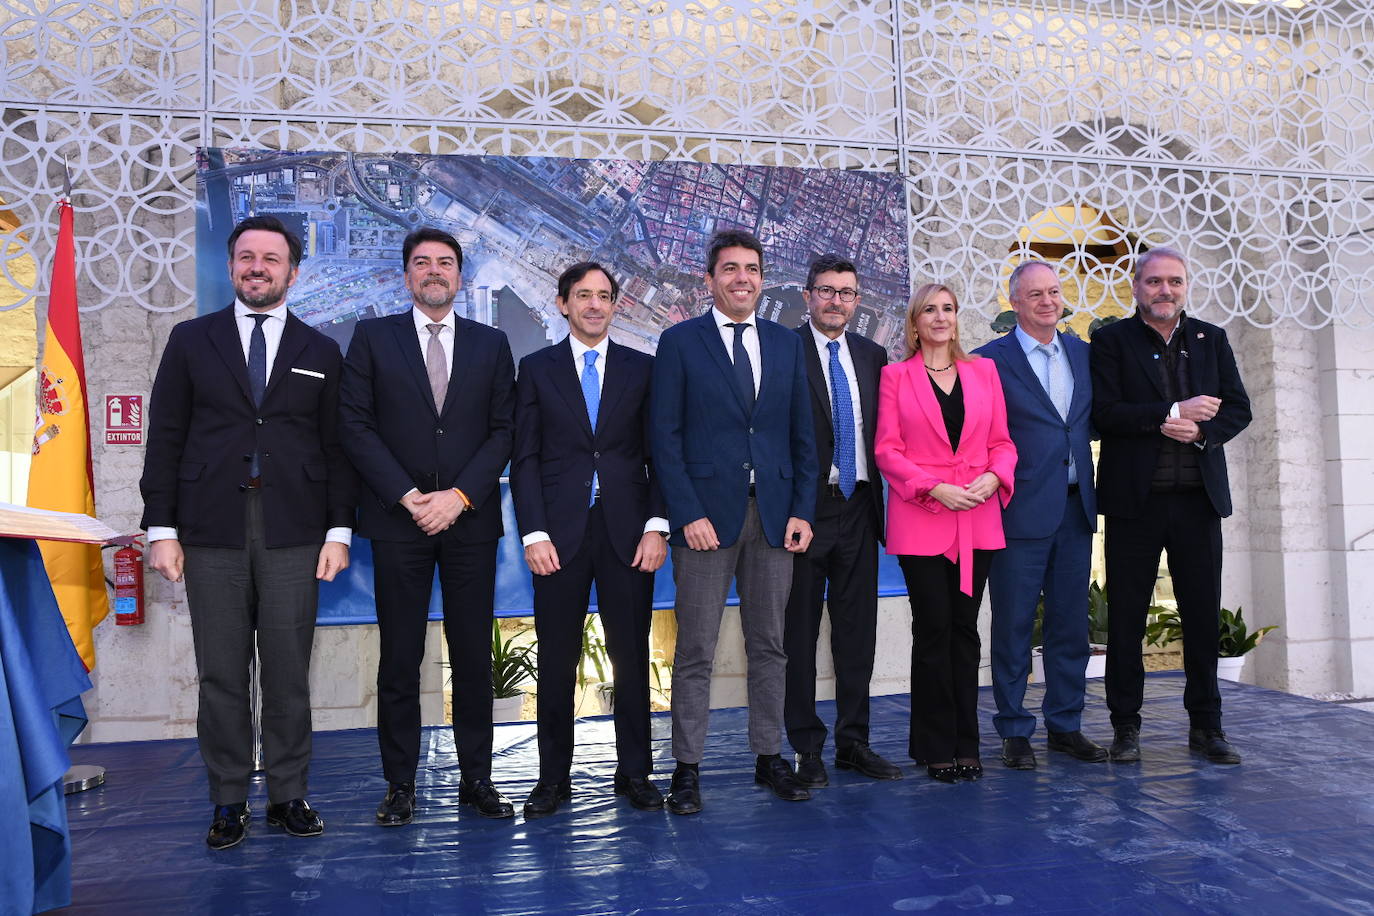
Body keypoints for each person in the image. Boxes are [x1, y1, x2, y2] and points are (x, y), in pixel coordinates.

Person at [140, 215, 355, 849]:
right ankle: (228, 799)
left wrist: (339, 531)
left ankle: (289, 793)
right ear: (231, 266)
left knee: (288, 672)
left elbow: (337, 449)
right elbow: (167, 439)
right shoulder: (189, 340)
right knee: (222, 672)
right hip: (210, 531)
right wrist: (161, 528)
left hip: (295, 531)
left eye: (271, 258)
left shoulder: (321, 351)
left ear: (293, 271)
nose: (257, 267)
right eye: (246, 257)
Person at [339, 227, 517, 822]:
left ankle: (477, 779)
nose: (434, 271)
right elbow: (355, 425)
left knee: (471, 656)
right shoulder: (371, 337)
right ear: (406, 275)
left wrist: (460, 496)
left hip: (469, 522)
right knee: (400, 657)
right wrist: (410, 496)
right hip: (399, 522)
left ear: (460, 277)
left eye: (445, 263)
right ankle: (400, 785)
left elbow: (504, 432)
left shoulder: (492, 345)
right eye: (422, 263)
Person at [649, 228, 818, 814]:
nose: (741, 278)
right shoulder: (678, 342)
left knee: (769, 645)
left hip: (774, 519)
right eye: (729, 269)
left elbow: (803, 435)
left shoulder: (786, 343)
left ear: (763, 279)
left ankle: (769, 757)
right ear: (710, 278)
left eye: (751, 269)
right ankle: (687, 768)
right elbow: (662, 438)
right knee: (695, 647)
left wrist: (801, 510)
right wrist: (686, 513)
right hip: (705, 524)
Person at [510, 262, 668, 818]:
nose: (594, 305)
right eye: (584, 296)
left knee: (631, 657)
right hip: (558, 535)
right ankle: (552, 779)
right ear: (562, 304)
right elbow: (524, 458)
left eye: (604, 296)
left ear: (615, 305)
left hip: (629, 535)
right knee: (555, 660)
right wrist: (532, 532)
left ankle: (636, 773)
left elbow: (659, 455)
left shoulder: (643, 370)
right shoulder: (535, 369)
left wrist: (656, 526)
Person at [1090, 246, 1252, 764]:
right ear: (1136, 287)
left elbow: (1240, 409)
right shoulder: (1111, 340)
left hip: (1197, 503)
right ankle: (1125, 728)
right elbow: (1104, 413)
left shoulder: (1211, 339)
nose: (1165, 291)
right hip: (1134, 505)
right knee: (1128, 622)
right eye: (1155, 282)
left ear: (1186, 287)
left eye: (1175, 282)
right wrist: (1168, 412)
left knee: (1202, 618)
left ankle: (1207, 728)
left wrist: (1200, 432)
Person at [875, 283, 1016, 782]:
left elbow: (1002, 441)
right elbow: (887, 451)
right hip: (923, 520)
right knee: (932, 630)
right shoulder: (895, 377)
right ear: (914, 322)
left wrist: (996, 476)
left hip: (977, 517)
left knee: (965, 632)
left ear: (958, 318)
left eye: (948, 309)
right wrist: (933, 487)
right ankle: (935, 746)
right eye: (929, 310)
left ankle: (966, 743)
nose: (940, 317)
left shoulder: (985, 372)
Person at [976, 261, 1108, 770]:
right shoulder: (990, 360)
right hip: (1017, 510)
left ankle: (1066, 725)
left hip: (1076, 510)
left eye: (1054, 292)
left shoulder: (1085, 354)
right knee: (1012, 625)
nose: (1047, 302)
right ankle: (1013, 729)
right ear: (1015, 302)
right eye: (1035, 295)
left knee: (1070, 626)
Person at [783, 254, 902, 787]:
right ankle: (807, 749)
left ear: (857, 301)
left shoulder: (873, 355)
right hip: (804, 512)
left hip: (859, 506)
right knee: (800, 633)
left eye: (847, 293)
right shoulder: (784, 350)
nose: (836, 301)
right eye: (827, 291)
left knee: (858, 633)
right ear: (808, 295)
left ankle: (855, 742)